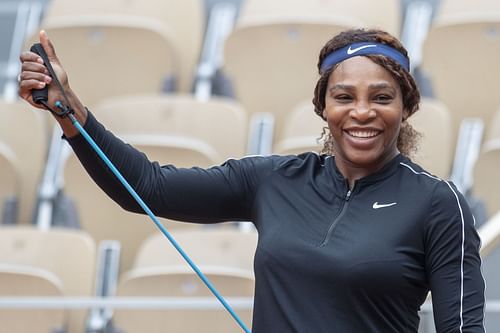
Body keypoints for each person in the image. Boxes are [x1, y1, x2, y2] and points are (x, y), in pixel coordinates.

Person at [19, 28, 485, 332]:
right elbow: (146, 187)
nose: (362, 112)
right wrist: (69, 110)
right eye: (344, 96)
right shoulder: (275, 179)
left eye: (381, 97)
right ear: (324, 107)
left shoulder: (437, 203)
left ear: (406, 107)